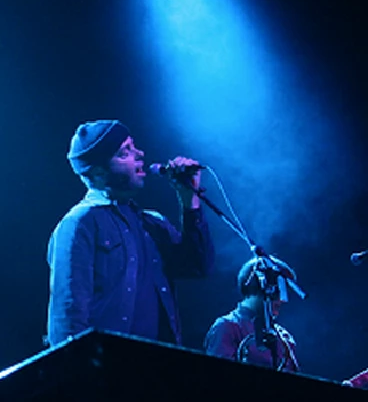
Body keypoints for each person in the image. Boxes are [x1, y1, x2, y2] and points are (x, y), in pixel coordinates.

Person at [47, 119, 215, 347]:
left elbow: (198, 266)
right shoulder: (80, 223)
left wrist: (189, 200)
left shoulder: (152, 223)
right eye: (125, 152)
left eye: (134, 146)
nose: (140, 154)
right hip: (110, 370)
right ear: (97, 172)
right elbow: (68, 315)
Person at [203, 257, 300, 372]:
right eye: (278, 291)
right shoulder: (227, 327)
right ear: (258, 287)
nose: (283, 300)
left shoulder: (284, 338)